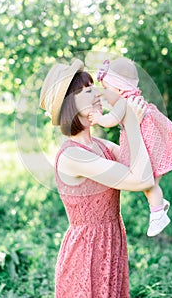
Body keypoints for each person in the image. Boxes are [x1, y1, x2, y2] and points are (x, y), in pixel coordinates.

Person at [40, 59, 155, 298]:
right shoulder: (73, 155)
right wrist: (130, 122)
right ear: (69, 105)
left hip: (111, 242)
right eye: (85, 91)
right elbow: (141, 181)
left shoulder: (100, 145)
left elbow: (145, 167)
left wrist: (134, 118)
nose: (95, 95)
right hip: (86, 253)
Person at [88, 57, 172, 237]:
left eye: (106, 88)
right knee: (151, 183)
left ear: (119, 88)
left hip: (146, 144)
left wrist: (98, 119)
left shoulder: (125, 103)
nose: (105, 93)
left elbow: (111, 120)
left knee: (148, 182)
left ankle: (158, 213)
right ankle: (158, 205)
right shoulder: (132, 99)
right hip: (151, 142)